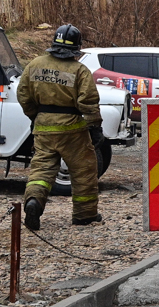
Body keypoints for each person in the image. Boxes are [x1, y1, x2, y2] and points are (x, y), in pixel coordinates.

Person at [17, 24, 104, 229]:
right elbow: (88, 101)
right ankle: (84, 214)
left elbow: (23, 95)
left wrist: (35, 117)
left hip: (44, 128)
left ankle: (34, 202)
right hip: (73, 131)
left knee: (42, 170)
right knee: (83, 170)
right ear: (75, 48)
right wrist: (95, 127)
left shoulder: (34, 64)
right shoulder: (79, 70)